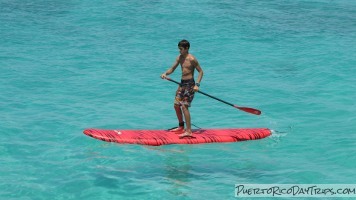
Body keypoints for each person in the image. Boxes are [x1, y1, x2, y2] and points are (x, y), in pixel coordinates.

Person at [161, 40, 204, 138]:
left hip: (190, 85)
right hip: (182, 84)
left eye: (181, 49)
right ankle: (181, 126)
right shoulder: (180, 58)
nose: (179, 51)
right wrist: (165, 73)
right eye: (179, 49)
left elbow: (201, 72)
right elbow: (172, 68)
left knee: (184, 106)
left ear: (186, 48)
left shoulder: (192, 59)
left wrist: (197, 85)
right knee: (176, 105)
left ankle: (188, 131)